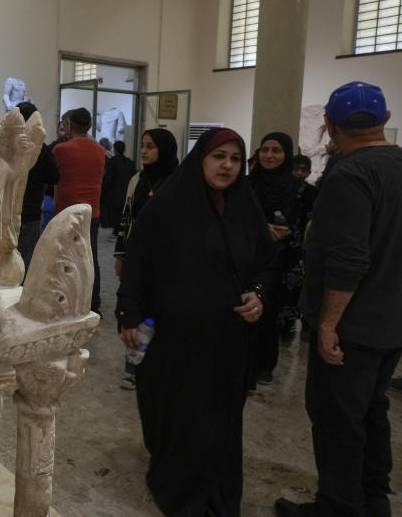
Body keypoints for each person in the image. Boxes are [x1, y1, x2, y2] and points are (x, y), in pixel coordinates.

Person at [117, 127, 277, 517]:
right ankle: (180, 487)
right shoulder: (167, 205)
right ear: (200, 158)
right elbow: (138, 264)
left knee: (221, 419)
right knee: (179, 412)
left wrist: (259, 293)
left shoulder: (245, 206)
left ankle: (219, 493)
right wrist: (130, 316)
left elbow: (267, 262)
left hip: (228, 339)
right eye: (218, 156)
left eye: (236, 159)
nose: (227, 165)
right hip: (175, 338)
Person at [275, 82, 402, 517]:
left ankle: (338, 506)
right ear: (384, 121)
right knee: (372, 409)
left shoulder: (351, 175)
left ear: (329, 124)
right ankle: (373, 499)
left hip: (352, 327)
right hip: (390, 322)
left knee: (337, 418)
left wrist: (328, 324)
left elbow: (349, 260)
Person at [113, 128, 179, 390]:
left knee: (162, 311)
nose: (144, 151)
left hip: (168, 260)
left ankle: (161, 364)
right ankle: (133, 366)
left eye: (150, 146)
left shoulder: (178, 181)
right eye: (142, 145)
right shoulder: (137, 180)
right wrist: (121, 255)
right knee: (135, 309)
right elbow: (127, 218)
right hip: (138, 258)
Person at [247, 132, 315, 383]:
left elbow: (311, 226)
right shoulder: (245, 185)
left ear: (286, 155)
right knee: (245, 310)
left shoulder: (303, 190)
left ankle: (265, 365)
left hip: (284, 262)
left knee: (272, 314)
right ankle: (242, 365)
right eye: (265, 150)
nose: (269, 155)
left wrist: (290, 232)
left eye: (276, 150)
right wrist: (260, 229)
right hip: (249, 259)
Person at [53, 107, 106, 314]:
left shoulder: (61, 150)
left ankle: (63, 300)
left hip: (66, 209)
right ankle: (93, 303)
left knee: (62, 257)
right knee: (89, 257)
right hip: (91, 210)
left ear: (70, 125)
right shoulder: (100, 150)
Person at [15, 102, 58, 272]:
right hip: (31, 209)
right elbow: (54, 177)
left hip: (6, 209)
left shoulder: (7, 145)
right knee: (26, 256)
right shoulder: (43, 150)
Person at [100, 139, 135, 232]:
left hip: (114, 192)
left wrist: (104, 189)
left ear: (114, 149)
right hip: (127, 191)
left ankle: (116, 230)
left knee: (116, 212)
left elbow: (108, 179)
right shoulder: (129, 163)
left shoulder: (112, 162)